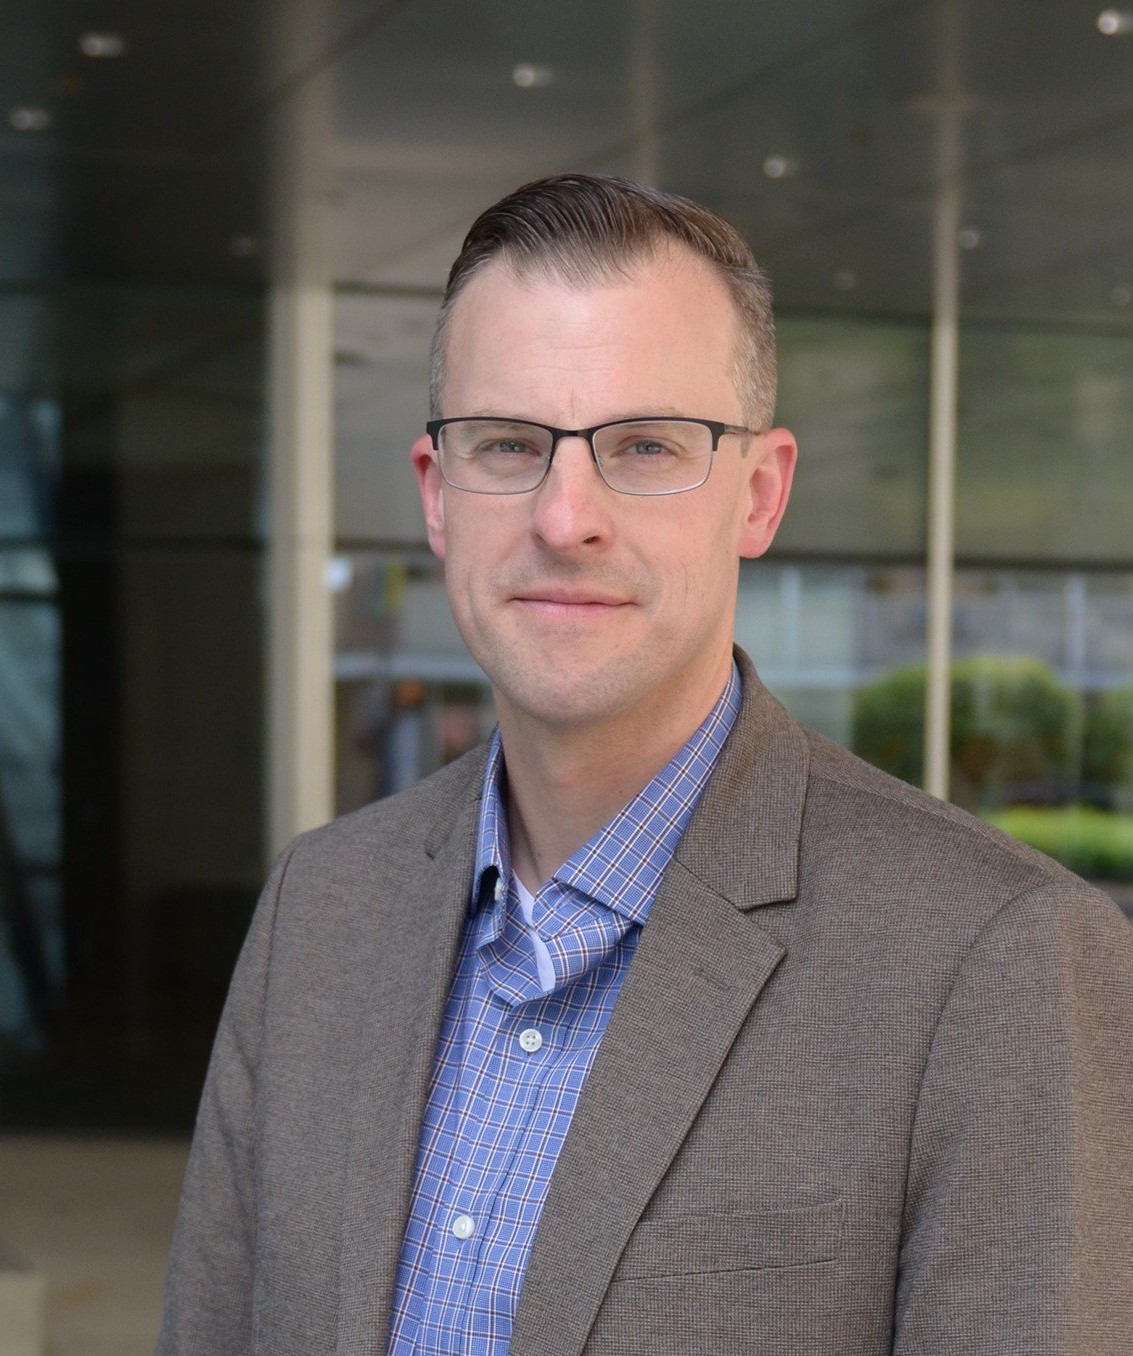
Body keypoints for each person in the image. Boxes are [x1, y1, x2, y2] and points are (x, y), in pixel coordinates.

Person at [156, 174, 1133, 1356]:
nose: (566, 518)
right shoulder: (320, 906)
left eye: (646, 446)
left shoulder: (996, 961)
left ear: (758, 493)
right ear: (434, 494)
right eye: (509, 444)